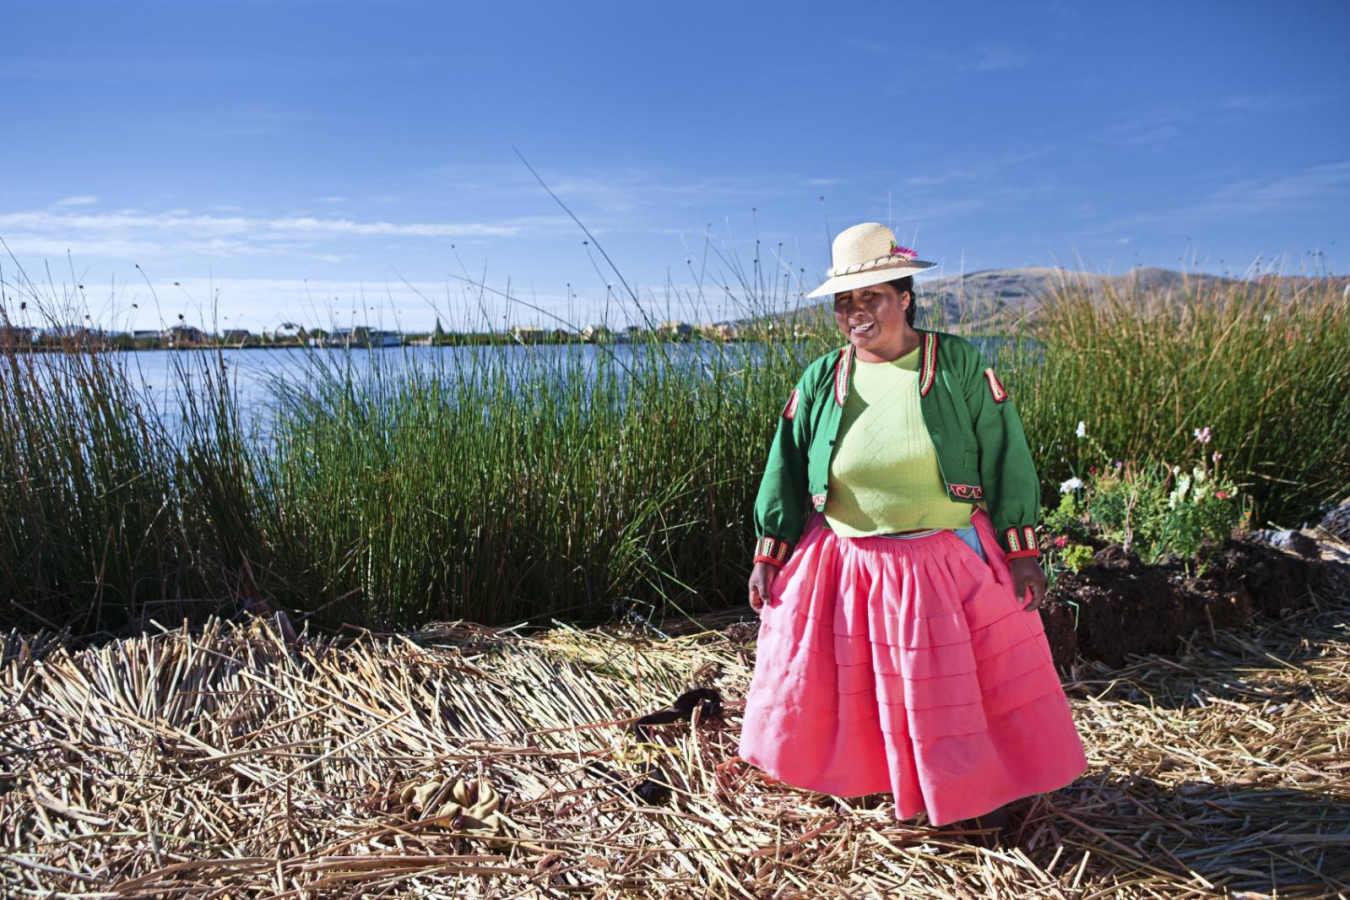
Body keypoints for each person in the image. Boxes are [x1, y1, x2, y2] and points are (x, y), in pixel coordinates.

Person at [738, 222, 1085, 827]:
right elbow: (787, 465)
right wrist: (770, 552)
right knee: (858, 687)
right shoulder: (823, 378)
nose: (855, 313)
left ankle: (976, 793)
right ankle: (875, 780)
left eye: (870, 296)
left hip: (942, 560)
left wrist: (1021, 548)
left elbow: (1007, 454)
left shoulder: (954, 364)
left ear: (904, 296)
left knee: (949, 692)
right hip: (845, 562)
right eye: (845, 302)